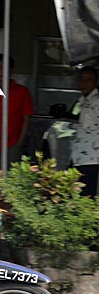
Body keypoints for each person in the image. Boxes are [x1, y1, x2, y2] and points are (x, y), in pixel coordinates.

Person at [70, 65, 99, 197]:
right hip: (79, 156)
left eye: (88, 80)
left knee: (86, 198)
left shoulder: (96, 102)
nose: (84, 83)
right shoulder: (82, 101)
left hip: (92, 158)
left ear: (96, 82)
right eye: (82, 80)